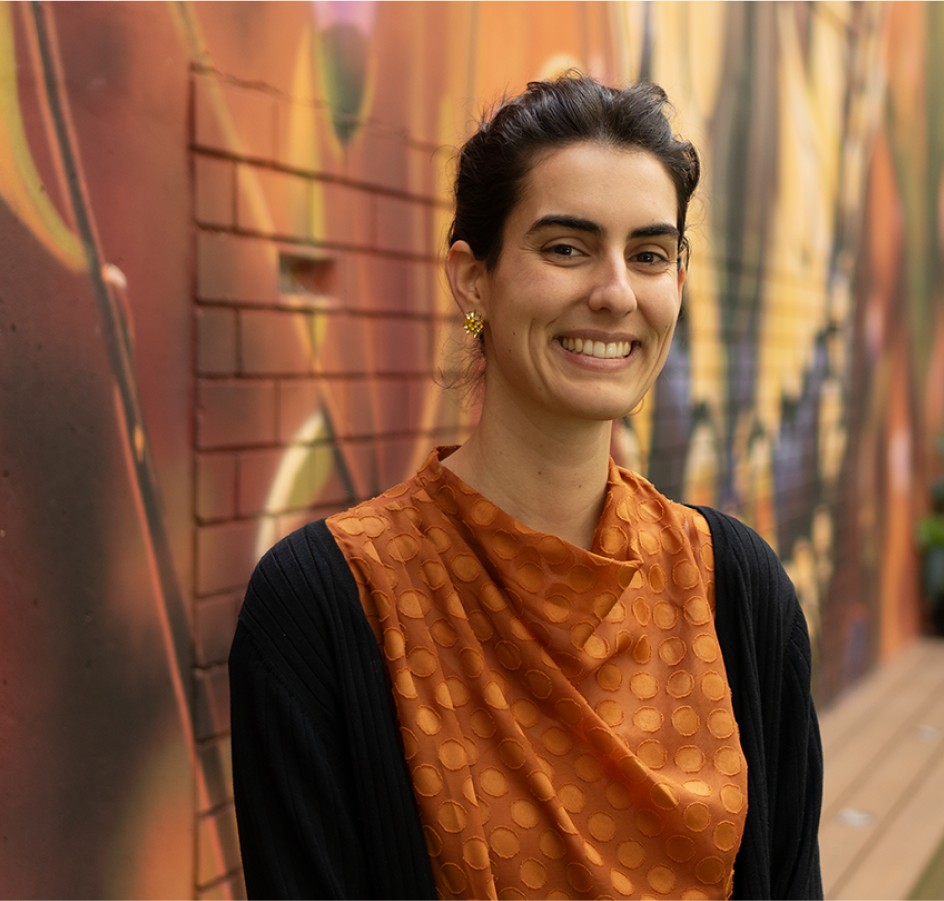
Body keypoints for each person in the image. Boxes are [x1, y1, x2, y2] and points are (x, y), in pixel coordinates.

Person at [229, 73, 824, 900]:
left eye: (649, 254)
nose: (615, 293)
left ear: (678, 283)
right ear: (473, 280)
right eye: (566, 247)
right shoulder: (327, 606)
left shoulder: (740, 592)